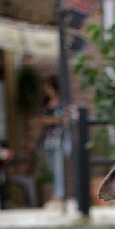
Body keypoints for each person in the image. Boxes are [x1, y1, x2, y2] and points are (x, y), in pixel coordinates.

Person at [39, 74, 66, 207]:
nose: (45, 89)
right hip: (48, 141)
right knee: (51, 168)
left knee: (58, 167)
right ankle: (56, 194)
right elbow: (41, 120)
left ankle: (58, 194)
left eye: (47, 86)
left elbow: (66, 119)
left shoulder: (62, 102)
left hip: (59, 140)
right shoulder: (46, 103)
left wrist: (50, 120)